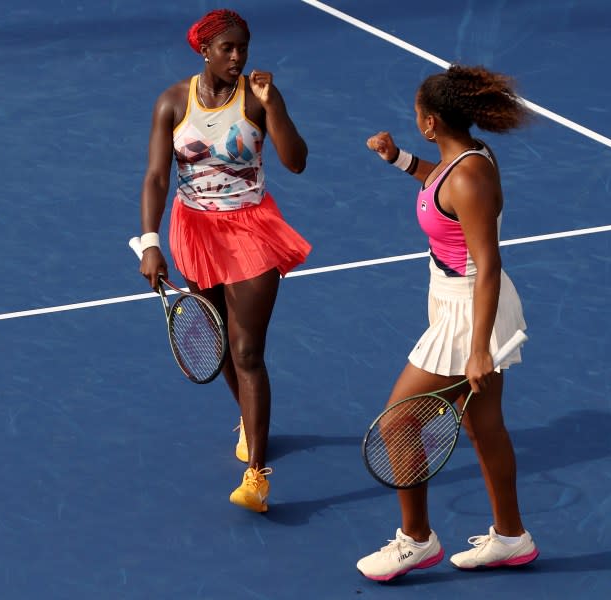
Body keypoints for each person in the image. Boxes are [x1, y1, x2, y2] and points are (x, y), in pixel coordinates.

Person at [356, 64, 538, 580]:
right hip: (454, 301)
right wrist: (398, 160)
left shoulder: (471, 176)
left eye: (418, 114)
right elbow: (441, 192)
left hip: (470, 312)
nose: (416, 119)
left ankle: (416, 540)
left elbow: (488, 264)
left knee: (398, 421)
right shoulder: (460, 163)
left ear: (431, 122)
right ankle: (511, 537)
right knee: (484, 428)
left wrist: (478, 348)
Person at [137, 9, 311, 513]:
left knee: (247, 351)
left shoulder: (256, 100)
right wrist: (151, 241)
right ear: (204, 51)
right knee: (221, 345)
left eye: (244, 48)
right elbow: (155, 178)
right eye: (227, 49)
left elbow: (296, 161)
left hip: (251, 229)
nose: (238, 58)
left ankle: (256, 475)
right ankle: (248, 419)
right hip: (194, 231)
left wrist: (273, 105)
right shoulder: (173, 102)